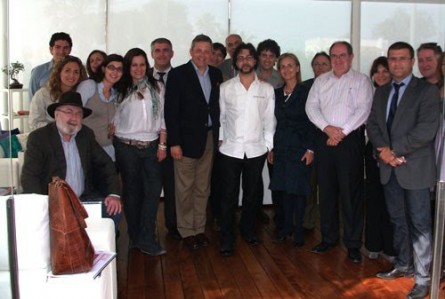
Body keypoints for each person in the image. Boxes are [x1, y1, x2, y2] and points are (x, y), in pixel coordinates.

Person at [367, 41, 440, 299]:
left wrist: (393, 151)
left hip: (414, 168)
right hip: (389, 168)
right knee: (397, 219)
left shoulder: (427, 91)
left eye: (402, 59)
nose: (396, 63)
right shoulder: (382, 92)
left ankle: (422, 279)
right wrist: (383, 151)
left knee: (420, 224)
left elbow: (426, 130)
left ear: (411, 62)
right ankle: (404, 264)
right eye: (392, 59)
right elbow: (373, 124)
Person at [305, 41, 373, 263]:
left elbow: (364, 109)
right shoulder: (321, 81)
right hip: (325, 139)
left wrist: (341, 132)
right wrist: (327, 129)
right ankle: (329, 238)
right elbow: (311, 107)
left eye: (342, 55)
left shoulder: (361, 80)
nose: (338, 59)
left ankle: (353, 244)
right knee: (326, 193)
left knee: (350, 194)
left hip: (350, 141)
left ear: (351, 57)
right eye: (334, 56)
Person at [21, 91, 122, 226]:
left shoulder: (85, 135)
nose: (74, 118)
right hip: (54, 203)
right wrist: (42, 206)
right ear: (56, 115)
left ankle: (99, 246)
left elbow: (106, 164)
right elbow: (30, 176)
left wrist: (113, 194)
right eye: (68, 112)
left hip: (85, 199)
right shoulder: (40, 138)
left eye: (78, 114)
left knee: (113, 211)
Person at [165, 34, 223, 251]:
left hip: (209, 138)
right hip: (185, 141)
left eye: (207, 51)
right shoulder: (178, 74)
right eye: (198, 50)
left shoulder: (216, 74)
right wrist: (174, 143)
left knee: (202, 187)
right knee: (185, 188)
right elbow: (171, 112)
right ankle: (186, 230)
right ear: (191, 52)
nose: (202, 55)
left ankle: (199, 228)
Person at [218, 43, 275, 257]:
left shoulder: (266, 89)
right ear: (235, 62)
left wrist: (268, 145)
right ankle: (226, 236)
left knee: (252, 195)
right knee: (228, 196)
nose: (245, 61)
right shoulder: (226, 88)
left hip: (256, 150)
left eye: (249, 57)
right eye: (241, 57)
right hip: (230, 150)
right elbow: (222, 117)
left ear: (255, 61)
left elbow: (269, 120)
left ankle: (248, 230)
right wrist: (222, 140)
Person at [114, 48, 167, 256]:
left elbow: (162, 116)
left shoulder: (157, 86)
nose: (138, 69)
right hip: (126, 147)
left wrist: (162, 144)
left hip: (152, 146)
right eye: (134, 65)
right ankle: (136, 237)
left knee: (152, 193)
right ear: (128, 66)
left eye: (142, 64)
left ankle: (147, 237)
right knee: (132, 194)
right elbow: (113, 116)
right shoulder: (121, 88)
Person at [269, 53, 314, 247]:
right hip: (280, 147)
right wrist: (271, 147)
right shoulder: (276, 93)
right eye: (282, 67)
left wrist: (311, 149)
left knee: (298, 191)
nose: (286, 70)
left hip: (300, 147)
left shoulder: (307, 92)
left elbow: (314, 122)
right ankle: (286, 227)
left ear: (297, 68)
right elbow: (272, 122)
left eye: (290, 66)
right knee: (284, 190)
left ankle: (298, 230)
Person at [149, 37, 181, 241]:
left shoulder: (181, 76)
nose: (161, 54)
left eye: (166, 50)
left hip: (175, 139)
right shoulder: (142, 77)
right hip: (149, 140)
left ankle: (173, 225)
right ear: (152, 53)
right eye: (157, 50)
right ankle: (147, 229)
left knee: (173, 186)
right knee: (150, 187)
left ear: (172, 53)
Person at [364, 56, 395, 262]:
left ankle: (391, 248)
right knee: (373, 198)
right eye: (377, 71)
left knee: (391, 201)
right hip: (373, 149)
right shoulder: (369, 94)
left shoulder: (398, 94)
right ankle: (373, 244)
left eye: (385, 71)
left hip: (395, 151)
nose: (381, 75)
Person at [301, 51, 331, 231]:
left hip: (330, 143)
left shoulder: (337, 86)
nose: (320, 67)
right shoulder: (304, 87)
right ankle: (307, 223)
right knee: (309, 186)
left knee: (328, 188)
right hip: (309, 143)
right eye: (317, 64)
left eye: (324, 64)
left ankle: (329, 226)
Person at [77, 54, 124, 161]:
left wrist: (114, 126)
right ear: (103, 69)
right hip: (87, 150)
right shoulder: (89, 86)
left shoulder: (116, 94)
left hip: (108, 150)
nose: (115, 72)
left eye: (119, 69)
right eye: (111, 68)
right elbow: (74, 113)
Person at [29, 55, 87, 131]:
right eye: (67, 71)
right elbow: (34, 124)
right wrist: (59, 128)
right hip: (48, 139)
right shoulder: (42, 94)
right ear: (59, 72)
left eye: (76, 72)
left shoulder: (81, 94)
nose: (72, 75)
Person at [29, 32, 72, 99]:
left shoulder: (77, 71)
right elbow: (32, 99)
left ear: (70, 50)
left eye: (65, 48)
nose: (61, 52)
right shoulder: (38, 72)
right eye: (58, 47)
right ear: (51, 50)